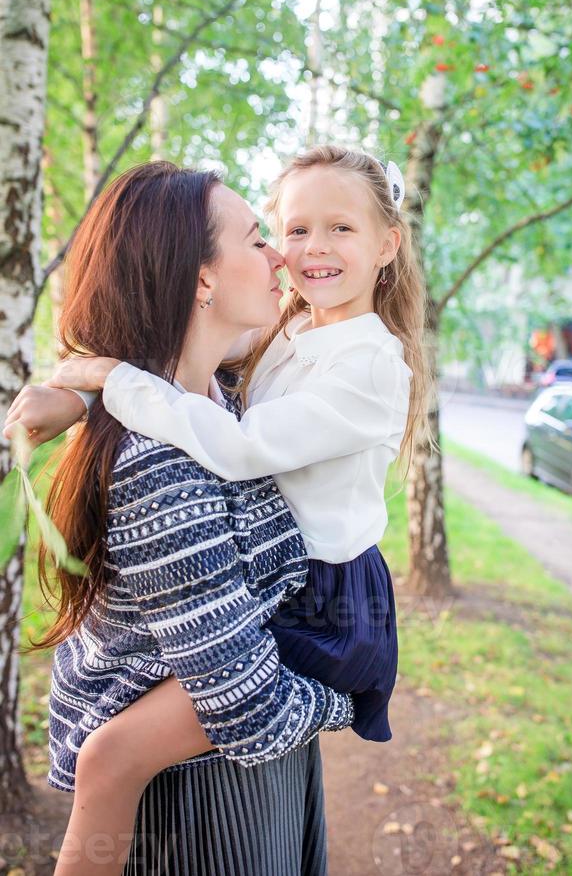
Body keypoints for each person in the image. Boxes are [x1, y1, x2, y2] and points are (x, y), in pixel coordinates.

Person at [8, 146, 430, 875]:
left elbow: (209, 422)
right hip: (231, 741)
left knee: (117, 754)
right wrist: (79, 397)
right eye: (276, 233)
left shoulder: (353, 366)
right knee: (115, 755)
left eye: (340, 230)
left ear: (387, 245)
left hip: (326, 602)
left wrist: (103, 382)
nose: (291, 254)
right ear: (203, 276)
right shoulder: (285, 341)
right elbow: (177, 371)